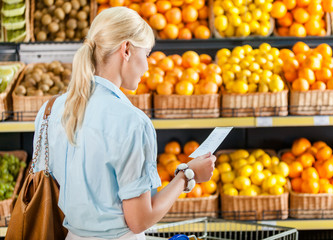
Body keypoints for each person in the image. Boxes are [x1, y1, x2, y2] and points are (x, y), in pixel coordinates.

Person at [33, 6, 216, 240]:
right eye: (147, 54)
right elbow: (138, 220)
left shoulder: (50, 110)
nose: (148, 66)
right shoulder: (132, 122)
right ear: (126, 49)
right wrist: (186, 176)